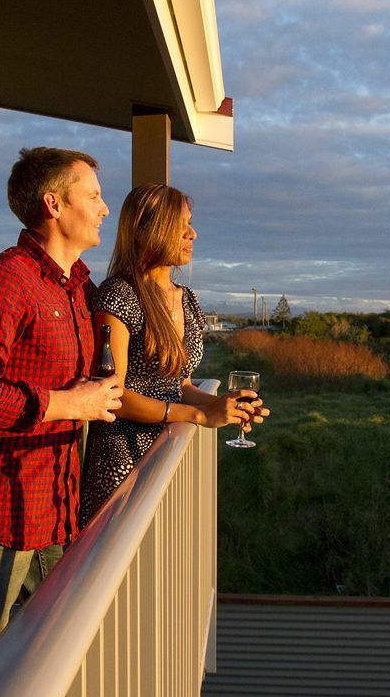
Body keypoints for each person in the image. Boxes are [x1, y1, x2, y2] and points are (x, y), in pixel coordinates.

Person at [0, 147, 125, 697]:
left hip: (56, 505)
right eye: (92, 195)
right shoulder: (3, 281)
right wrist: (68, 403)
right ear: (53, 203)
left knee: (54, 648)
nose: (104, 208)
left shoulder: (79, 288)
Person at [80, 184, 266, 525]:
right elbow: (113, 396)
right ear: (150, 229)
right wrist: (197, 416)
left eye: (190, 223)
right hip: (124, 458)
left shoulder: (187, 298)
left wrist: (220, 405)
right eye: (181, 224)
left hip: (163, 452)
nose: (192, 233)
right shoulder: (120, 295)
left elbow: (179, 384)